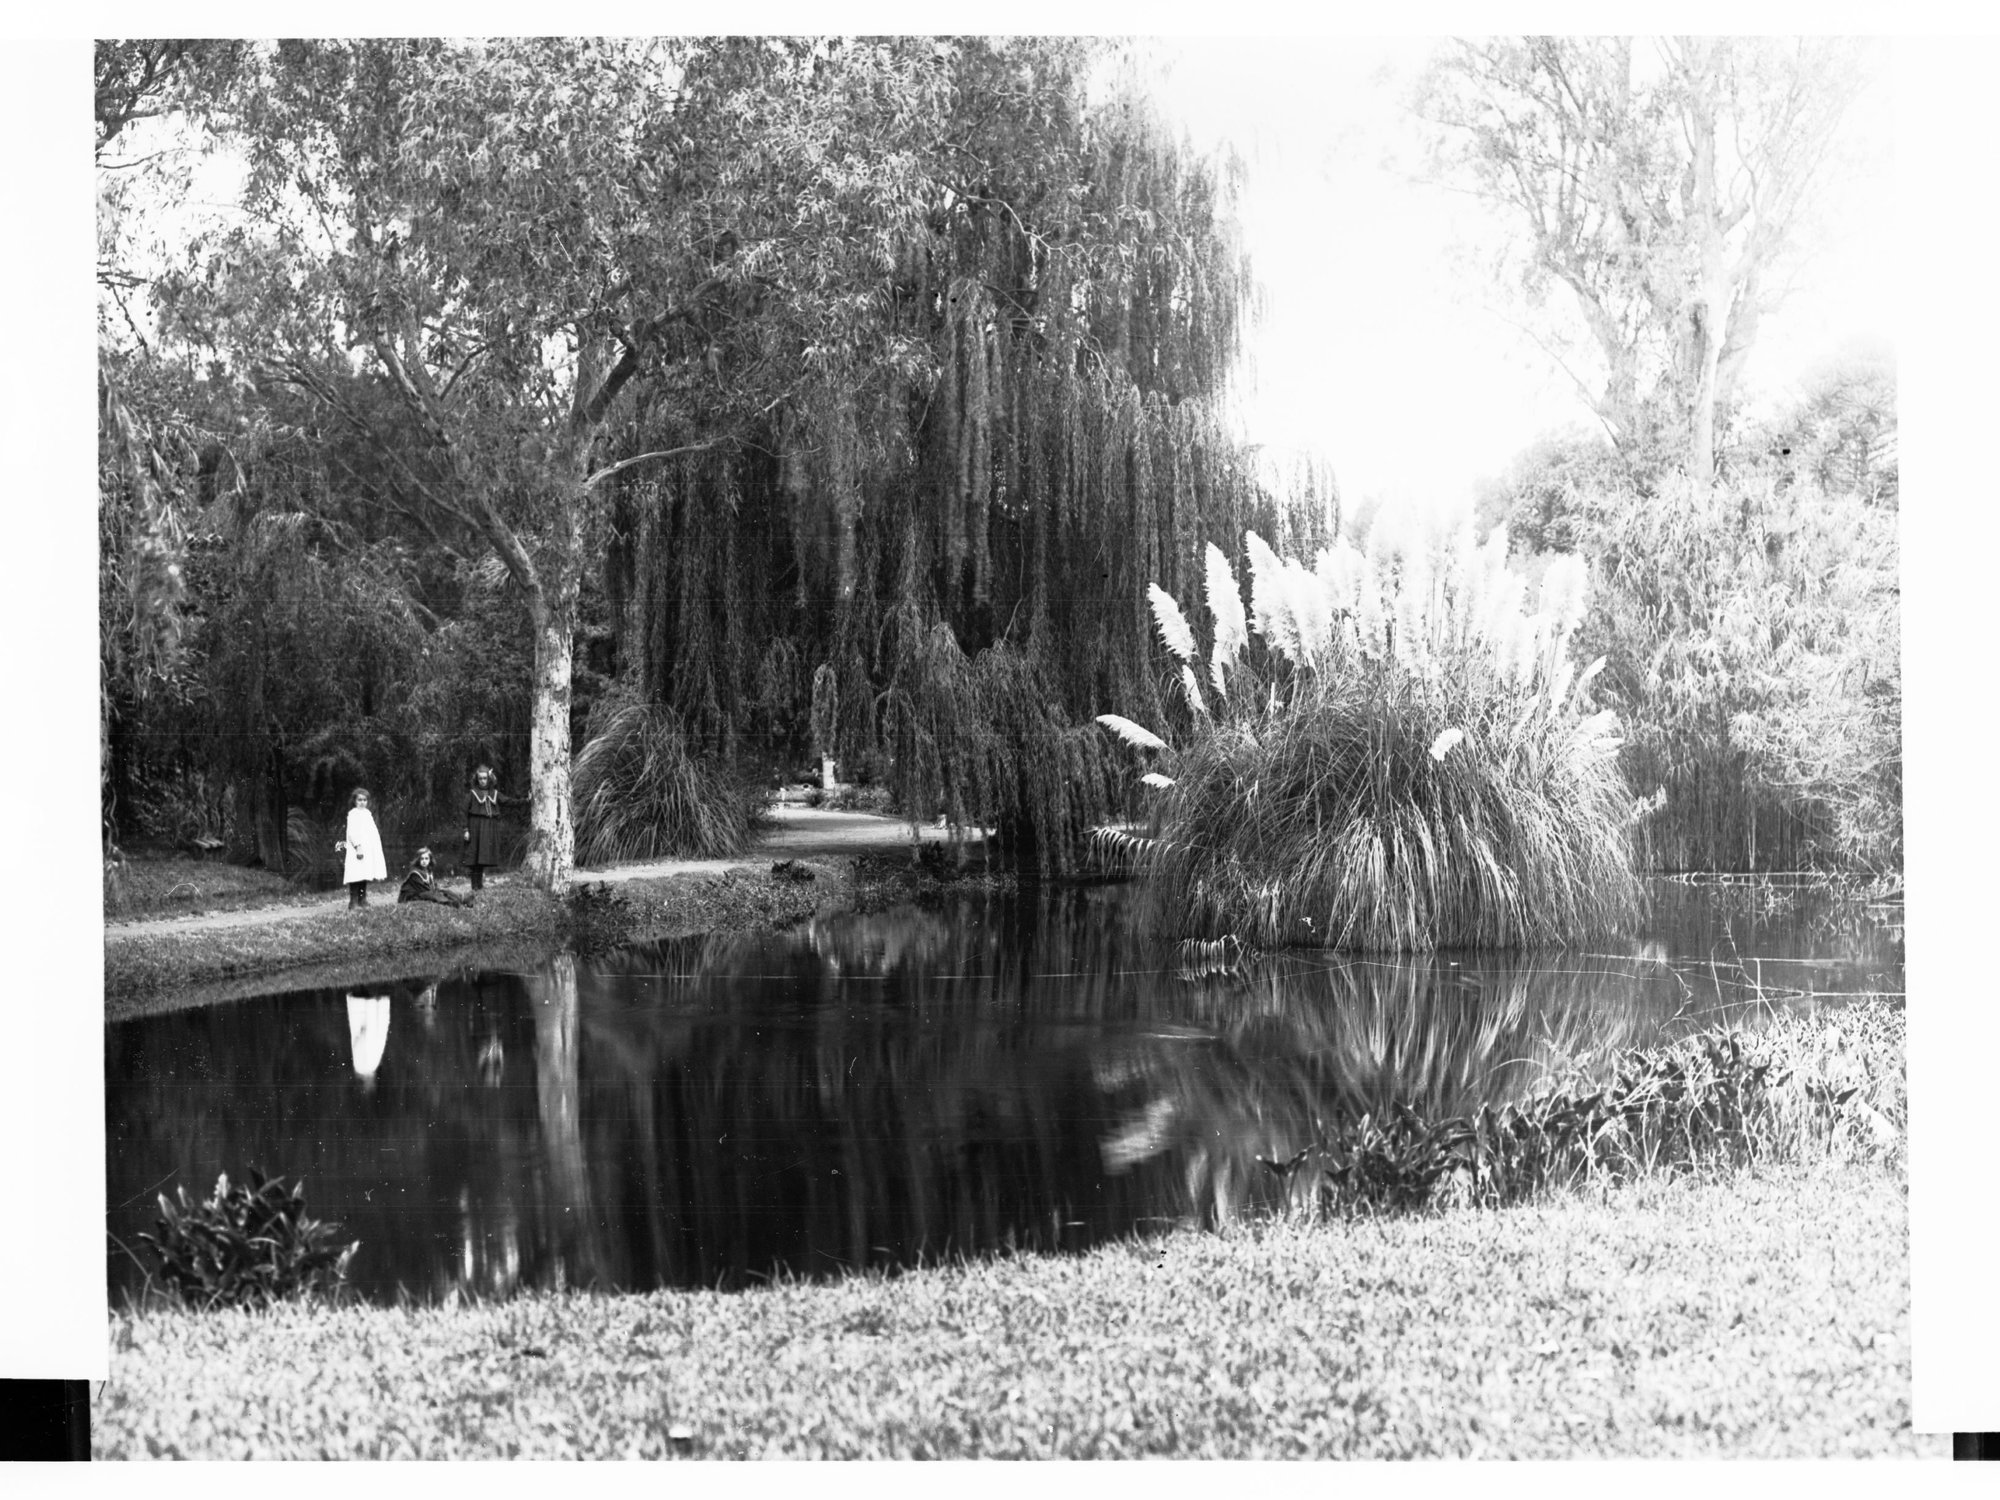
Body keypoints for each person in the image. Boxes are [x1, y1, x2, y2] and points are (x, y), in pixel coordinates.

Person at [463, 764, 522, 892]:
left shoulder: (494, 793)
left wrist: (527, 800)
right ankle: (474, 886)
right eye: (480, 779)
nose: (483, 781)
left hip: (489, 827)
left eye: (485, 778)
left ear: (489, 779)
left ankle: (480, 886)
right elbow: (463, 812)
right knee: (475, 858)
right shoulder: (472, 794)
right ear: (477, 779)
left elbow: (509, 802)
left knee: (483, 856)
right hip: (475, 826)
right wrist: (466, 830)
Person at [335, 787, 387, 908]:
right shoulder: (353, 814)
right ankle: (353, 900)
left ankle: (362, 899)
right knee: (355, 874)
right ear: (355, 801)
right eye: (359, 800)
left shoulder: (367, 814)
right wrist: (358, 846)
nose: (362, 802)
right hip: (357, 848)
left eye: (364, 800)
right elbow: (352, 832)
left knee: (364, 873)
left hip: (367, 849)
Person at [399, 846, 470, 908]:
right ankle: (449, 902)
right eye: (422, 859)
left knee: (444, 890)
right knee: (431, 894)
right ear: (418, 860)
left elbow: (432, 886)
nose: (424, 861)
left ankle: (462, 899)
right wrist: (437, 890)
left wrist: (441, 889)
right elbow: (424, 889)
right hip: (411, 896)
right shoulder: (415, 873)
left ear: (430, 860)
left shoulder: (428, 871)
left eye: (426, 859)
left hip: (423, 892)